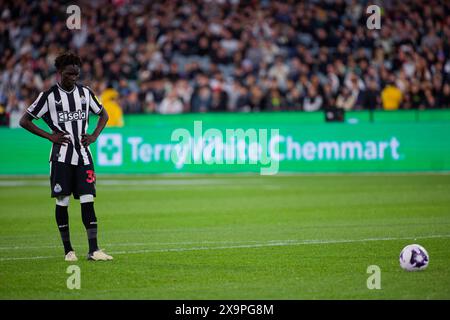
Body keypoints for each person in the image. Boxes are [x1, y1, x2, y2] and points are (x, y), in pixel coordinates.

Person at [19, 52, 113, 262]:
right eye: (70, 74)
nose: (74, 78)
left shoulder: (85, 93)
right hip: (61, 158)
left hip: (84, 158)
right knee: (62, 202)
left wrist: (95, 135)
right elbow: (24, 121)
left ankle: (94, 250)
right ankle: (68, 250)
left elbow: (103, 114)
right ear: (60, 73)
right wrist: (50, 136)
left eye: (77, 74)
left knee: (88, 201)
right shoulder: (48, 96)